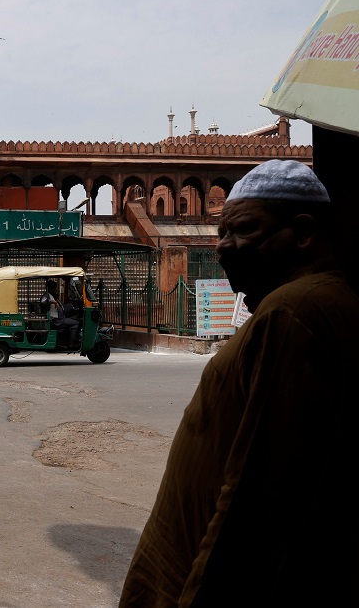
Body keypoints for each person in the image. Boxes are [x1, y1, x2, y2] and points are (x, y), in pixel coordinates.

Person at [118, 159, 359, 607]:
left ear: (303, 233)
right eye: (221, 233)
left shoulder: (293, 312)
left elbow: (256, 495)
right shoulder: (305, 304)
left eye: (243, 230)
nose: (225, 247)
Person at [40, 279, 79, 346]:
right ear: (50, 288)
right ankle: (72, 343)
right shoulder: (47, 295)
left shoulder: (52, 295)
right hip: (58, 320)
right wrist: (54, 302)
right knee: (76, 324)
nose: (55, 289)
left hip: (60, 318)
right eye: (54, 288)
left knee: (75, 318)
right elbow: (43, 301)